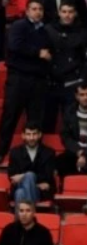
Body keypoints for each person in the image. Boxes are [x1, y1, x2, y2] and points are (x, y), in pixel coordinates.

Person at [0, 1, 52, 160]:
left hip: (37, 81)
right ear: (27, 11)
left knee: (35, 121)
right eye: (34, 9)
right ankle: (1, 153)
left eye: (40, 9)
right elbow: (15, 46)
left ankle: (33, 159)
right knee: (10, 118)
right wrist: (38, 53)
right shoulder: (19, 26)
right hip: (18, 79)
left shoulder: (45, 30)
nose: (37, 12)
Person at [44, 0, 87, 133]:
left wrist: (82, 80)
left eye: (70, 12)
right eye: (64, 12)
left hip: (72, 83)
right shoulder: (48, 30)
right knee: (47, 123)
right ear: (59, 13)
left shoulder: (83, 33)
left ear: (75, 13)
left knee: (71, 124)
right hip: (51, 83)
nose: (67, 15)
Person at [8, 123, 57, 204]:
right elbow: (12, 176)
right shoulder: (15, 152)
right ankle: (31, 215)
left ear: (40, 135)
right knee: (20, 191)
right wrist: (30, 180)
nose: (31, 138)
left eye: (34, 134)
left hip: (41, 193)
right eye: (28, 134)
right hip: (30, 186)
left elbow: (48, 176)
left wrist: (24, 176)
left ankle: (21, 217)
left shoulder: (49, 153)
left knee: (20, 193)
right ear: (23, 135)